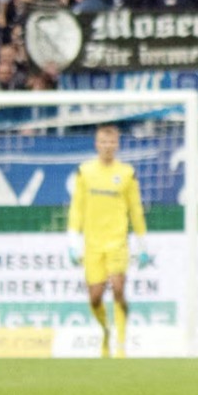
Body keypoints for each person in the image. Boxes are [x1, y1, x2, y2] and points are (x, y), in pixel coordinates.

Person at [65, 125, 152, 359]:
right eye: (103, 142)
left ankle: (121, 344)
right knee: (95, 298)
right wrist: (73, 240)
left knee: (118, 288)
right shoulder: (85, 171)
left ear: (117, 145)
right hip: (93, 244)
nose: (107, 146)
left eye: (111, 142)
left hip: (117, 242)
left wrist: (143, 245)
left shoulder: (127, 173)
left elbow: (136, 210)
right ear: (97, 144)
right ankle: (105, 332)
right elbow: (77, 208)